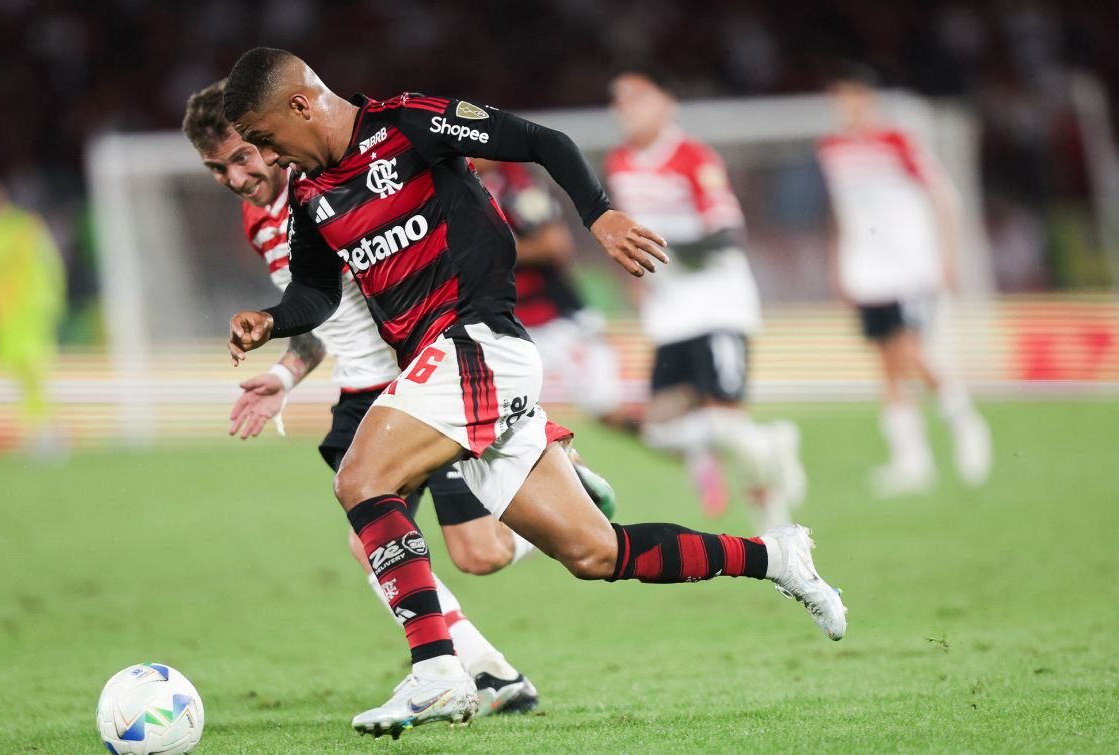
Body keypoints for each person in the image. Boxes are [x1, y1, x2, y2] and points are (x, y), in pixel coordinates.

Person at [221, 47, 846, 739]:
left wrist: (599, 215)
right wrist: (270, 320)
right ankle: (774, 555)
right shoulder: (311, 194)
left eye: (266, 138)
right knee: (594, 553)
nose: (268, 156)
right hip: (447, 366)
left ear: (301, 104)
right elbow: (313, 290)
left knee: (361, 479)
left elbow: (544, 141)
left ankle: (437, 671)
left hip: (477, 341)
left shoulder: (409, 124)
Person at [182, 79, 583, 715]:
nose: (236, 175)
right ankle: (487, 672)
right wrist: (285, 375)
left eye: (245, 154)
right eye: (217, 169)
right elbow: (319, 316)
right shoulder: (264, 217)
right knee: (371, 541)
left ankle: (560, 491)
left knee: (479, 554)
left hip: (421, 379)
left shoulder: (346, 175)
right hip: (359, 390)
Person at [604, 68, 805, 528]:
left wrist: (661, 248)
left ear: (667, 103)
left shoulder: (693, 157)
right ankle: (772, 440)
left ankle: (776, 528)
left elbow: (726, 235)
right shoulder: (619, 162)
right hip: (669, 315)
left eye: (638, 97)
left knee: (726, 420)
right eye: (619, 99)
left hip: (716, 306)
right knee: (660, 432)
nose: (626, 108)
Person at [817, 65, 991, 496]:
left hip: (909, 266)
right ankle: (911, 461)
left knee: (910, 353)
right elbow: (843, 210)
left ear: (868, 100)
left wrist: (947, 256)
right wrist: (840, 262)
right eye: (839, 98)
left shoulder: (898, 142)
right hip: (867, 270)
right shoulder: (833, 148)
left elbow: (944, 197)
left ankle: (965, 422)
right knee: (888, 364)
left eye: (853, 97)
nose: (846, 107)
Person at [471, 158, 635, 433]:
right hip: (509, 327)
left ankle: (683, 439)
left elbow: (554, 244)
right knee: (508, 422)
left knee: (610, 411)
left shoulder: (517, 184)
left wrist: (487, 252)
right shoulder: (459, 184)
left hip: (554, 320)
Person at [0, 177, 66, 457]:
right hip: (1, 316)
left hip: (29, 310)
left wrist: (50, 299)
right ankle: (37, 429)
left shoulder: (24, 227)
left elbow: (46, 264)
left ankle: (46, 432)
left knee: (34, 369)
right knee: (16, 373)